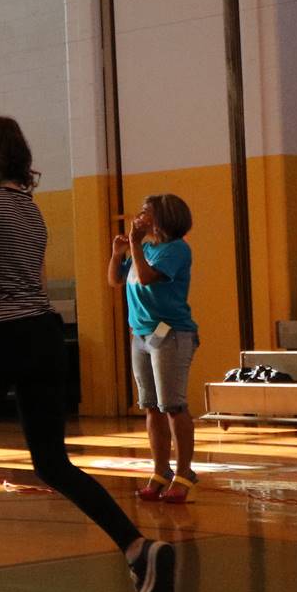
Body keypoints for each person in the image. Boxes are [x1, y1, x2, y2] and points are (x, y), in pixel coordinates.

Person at [0, 116, 176, 592]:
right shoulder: (32, 210)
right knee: (52, 462)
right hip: (42, 334)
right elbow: (29, 280)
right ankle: (138, 547)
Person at [108, 194, 199, 504]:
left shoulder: (176, 250)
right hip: (142, 336)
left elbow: (146, 278)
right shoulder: (144, 249)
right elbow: (114, 280)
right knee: (150, 406)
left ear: (163, 218)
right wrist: (117, 253)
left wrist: (133, 244)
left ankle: (184, 472)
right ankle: (160, 471)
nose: (139, 218)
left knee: (172, 405)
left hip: (171, 334)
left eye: (147, 213)